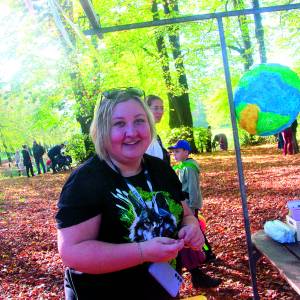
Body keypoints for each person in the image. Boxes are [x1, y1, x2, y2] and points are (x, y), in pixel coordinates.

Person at [55, 88, 205, 299]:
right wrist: (143, 252)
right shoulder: (86, 181)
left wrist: (191, 228)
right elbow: (72, 252)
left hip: (162, 290)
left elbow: (187, 215)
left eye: (139, 121)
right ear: (102, 130)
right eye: (119, 124)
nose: (132, 132)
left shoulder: (161, 169)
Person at [168, 140, 221, 289]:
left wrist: (191, 208)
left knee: (195, 231)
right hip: (185, 205)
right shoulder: (182, 166)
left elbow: (192, 189)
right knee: (196, 231)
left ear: (186, 152)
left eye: (177, 151)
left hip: (190, 206)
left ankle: (206, 253)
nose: (174, 154)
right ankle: (207, 253)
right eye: (173, 152)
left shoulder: (190, 168)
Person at [145, 95, 170, 164]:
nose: (160, 111)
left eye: (162, 108)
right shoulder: (144, 134)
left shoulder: (154, 134)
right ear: (146, 109)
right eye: (156, 108)